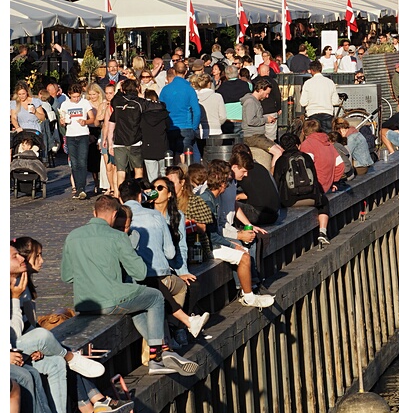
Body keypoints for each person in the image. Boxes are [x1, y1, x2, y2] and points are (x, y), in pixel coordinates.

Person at [61, 194, 198, 376]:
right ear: (114, 215)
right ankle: (157, 357)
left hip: (84, 304)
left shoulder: (72, 236)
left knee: (138, 306)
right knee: (155, 297)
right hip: (110, 299)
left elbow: (67, 276)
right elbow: (140, 273)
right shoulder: (117, 237)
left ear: (94, 212)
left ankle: (164, 351)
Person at [12, 236, 134, 413]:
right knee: (62, 353)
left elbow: (30, 326)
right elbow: (16, 331)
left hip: (27, 344)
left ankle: (90, 410)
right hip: (15, 348)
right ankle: (95, 402)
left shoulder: (24, 287)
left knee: (58, 356)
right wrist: (16, 300)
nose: (42, 260)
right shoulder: (15, 290)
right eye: (38, 256)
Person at [119, 179, 209, 343]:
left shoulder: (118, 218)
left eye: (160, 188)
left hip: (132, 279)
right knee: (167, 292)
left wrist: (182, 271)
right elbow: (170, 252)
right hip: (149, 278)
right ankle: (175, 332)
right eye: (153, 188)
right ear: (141, 196)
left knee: (175, 287)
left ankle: (172, 334)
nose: (155, 191)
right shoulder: (154, 215)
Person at [200, 160, 275, 308]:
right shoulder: (207, 201)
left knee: (248, 245)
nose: (227, 186)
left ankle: (252, 286)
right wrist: (233, 243)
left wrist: (248, 227)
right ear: (221, 183)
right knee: (243, 253)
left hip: (214, 239)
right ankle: (246, 294)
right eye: (226, 182)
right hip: (209, 246)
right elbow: (211, 233)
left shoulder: (212, 198)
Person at [273, 132, 331, 245]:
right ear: (297, 145)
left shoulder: (281, 160)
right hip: (311, 198)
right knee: (324, 202)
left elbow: (276, 182)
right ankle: (323, 232)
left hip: (290, 201)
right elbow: (314, 178)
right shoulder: (306, 157)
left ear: (282, 147)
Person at [59, 83, 96, 199]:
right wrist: (62, 121)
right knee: (74, 163)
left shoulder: (85, 103)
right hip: (70, 135)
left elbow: (92, 118)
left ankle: (82, 188)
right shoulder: (65, 104)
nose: (76, 99)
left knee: (82, 162)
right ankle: (78, 188)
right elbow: (62, 119)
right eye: (74, 97)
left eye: (78, 96)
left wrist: (85, 122)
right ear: (69, 95)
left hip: (83, 135)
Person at [159, 61, 201, 161]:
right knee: (184, 157)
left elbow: (160, 109)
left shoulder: (165, 89)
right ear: (186, 72)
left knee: (171, 158)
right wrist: (193, 127)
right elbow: (197, 111)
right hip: (186, 126)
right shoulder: (189, 89)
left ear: (173, 71)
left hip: (170, 127)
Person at [240, 78, 283, 170]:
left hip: (259, 135)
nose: (267, 96)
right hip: (253, 136)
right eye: (266, 93)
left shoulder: (255, 101)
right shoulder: (251, 102)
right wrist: (266, 119)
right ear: (260, 89)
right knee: (278, 152)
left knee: (281, 150)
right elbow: (250, 121)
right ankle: (272, 176)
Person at [233, 144, 281, 226]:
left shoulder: (242, 172)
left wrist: (237, 196)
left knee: (231, 204)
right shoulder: (261, 167)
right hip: (275, 214)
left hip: (258, 214)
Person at [109, 78, 145, 188]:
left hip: (119, 141)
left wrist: (119, 88)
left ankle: (121, 196)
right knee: (138, 170)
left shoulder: (117, 102)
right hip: (135, 140)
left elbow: (114, 99)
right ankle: (138, 193)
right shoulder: (139, 103)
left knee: (121, 172)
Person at [300, 119, 345, 193]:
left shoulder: (307, 144)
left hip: (314, 188)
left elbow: (306, 167)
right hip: (327, 186)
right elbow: (341, 165)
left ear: (303, 131)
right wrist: (334, 181)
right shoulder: (329, 144)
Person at [299, 60, 341, 135]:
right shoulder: (329, 82)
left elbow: (303, 102)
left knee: (314, 139)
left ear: (311, 71)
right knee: (328, 139)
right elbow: (335, 101)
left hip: (313, 114)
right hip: (327, 114)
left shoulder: (308, 83)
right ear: (320, 69)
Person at [190, 73, 227, 155]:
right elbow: (223, 116)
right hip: (215, 131)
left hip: (200, 131)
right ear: (209, 83)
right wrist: (216, 123)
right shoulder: (217, 96)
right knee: (216, 159)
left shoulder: (194, 97)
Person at [141, 90, 171, 183]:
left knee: (152, 176)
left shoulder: (142, 115)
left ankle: (154, 195)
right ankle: (165, 193)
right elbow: (168, 127)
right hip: (162, 145)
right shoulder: (164, 114)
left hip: (148, 146)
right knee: (164, 173)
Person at [85, 84, 107, 195]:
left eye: (94, 94)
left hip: (102, 129)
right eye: (90, 94)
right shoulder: (87, 103)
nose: (92, 97)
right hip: (91, 131)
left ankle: (105, 182)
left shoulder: (103, 102)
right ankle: (96, 182)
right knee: (93, 160)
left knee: (103, 159)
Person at [256, 63, 282, 141]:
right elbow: (277, 96)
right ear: (268, 72)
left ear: (259, 71)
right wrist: (278, 108)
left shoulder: (254, 81)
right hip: (271, 110)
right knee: (270, 137)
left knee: (259, 136)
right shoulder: (273, 82)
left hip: (258, 111)